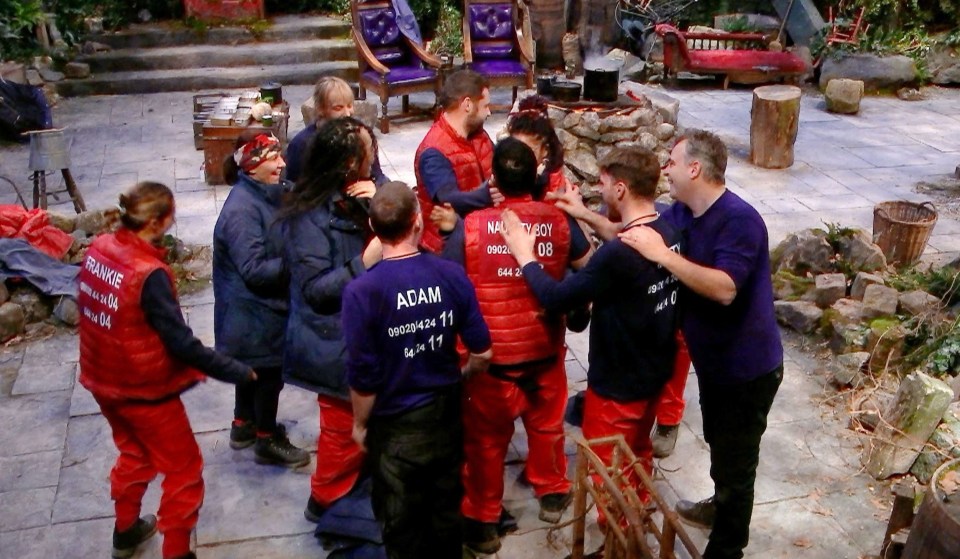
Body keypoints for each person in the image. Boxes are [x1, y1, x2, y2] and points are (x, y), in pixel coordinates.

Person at [618, 129, 783, 559]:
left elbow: (725, 288)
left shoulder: (740, 220)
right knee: (719, 443)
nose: (666, 170)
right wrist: (589, 216)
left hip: (747, 370)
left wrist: (665, 257)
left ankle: (729, 546)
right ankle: (719, 504)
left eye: (672, 162)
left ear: (695, 168)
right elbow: (645, 235)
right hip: (715, 363)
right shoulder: (686, 212)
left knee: (737, 460)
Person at [499, 146, 682, 523]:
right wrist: (580, 213)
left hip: (618, 385)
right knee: (638, 451)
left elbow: (555, 296)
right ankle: (642, 508)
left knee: (607, 473)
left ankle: (621, 538)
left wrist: (523, 254)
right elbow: (621, 232)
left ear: (620, 189)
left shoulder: (616, 257)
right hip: (653, 373)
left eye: (602, 186)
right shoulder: (665, 229)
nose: (598, 194)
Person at [78, 182, 255, 559]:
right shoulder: (149, 274)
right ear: (158, 222)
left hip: (103, 378)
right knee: (183, 471)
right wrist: (236, 370)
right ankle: (177, 552)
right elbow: (182, 344)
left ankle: (125, 531)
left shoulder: (100, 248)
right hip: (144, 391)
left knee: (135, 452)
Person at [434, 138, 592, 554]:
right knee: (547, 426)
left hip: (491, 361)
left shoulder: (471, 226)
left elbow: (448, 286)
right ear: (536, 177)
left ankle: (483, 521)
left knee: (485, 444)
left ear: (495, 180)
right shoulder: (559, 222)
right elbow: (585, 267)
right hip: (545, 350)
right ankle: (554, 493)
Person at [343, 182, 493, 559]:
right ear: (417, 221)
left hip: (394, 424)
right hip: (444, 413)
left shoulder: (362, 292)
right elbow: (483, 352)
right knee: (445, 508)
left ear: (375, 231)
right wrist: (462, 377)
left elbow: (363, 377)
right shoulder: (450, 275)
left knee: (400, 520)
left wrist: (360, 424)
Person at [278, 116, 383, 523]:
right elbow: (317, 291)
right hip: (331, 342)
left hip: (359, 333)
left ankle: (354, 489)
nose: (373, 161)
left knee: (363, 426)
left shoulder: (357, 194)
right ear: (347, 164)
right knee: (341, 432)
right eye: (368, 155)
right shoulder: (307, 218)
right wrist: (365, 260)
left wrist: (379, 201)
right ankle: (324, 500)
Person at [213, 131, 309, 467]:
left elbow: (290, 196)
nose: (282, 164)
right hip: (253, 313)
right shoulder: (241, 211)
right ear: (252, 166)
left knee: (250, 370)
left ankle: (243, 425)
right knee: (268, 374)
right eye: (274, 159)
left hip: (248, 314)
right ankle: (267, 439)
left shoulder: (262, 194)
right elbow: (253, 269)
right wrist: (298, 262)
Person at [415, 69, 498, 253]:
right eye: (485, 106)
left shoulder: (479, 135)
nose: (489, 113)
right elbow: (449, 198)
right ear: (467, 104)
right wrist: (489, 194)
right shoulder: (434, 150)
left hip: (479, 236)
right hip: (446, 247)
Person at [285, 75, 390, 186]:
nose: (347, 113)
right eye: (338, 108)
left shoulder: (362, 134)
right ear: (321, 109)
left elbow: (379, 176)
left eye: (349, 106)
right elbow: (293, 187)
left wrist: (374, 187)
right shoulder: (301, 144)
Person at [506, 94, 570, 200]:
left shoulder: (557, 189)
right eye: (515, 148)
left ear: (545, 150)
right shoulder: (501, 178)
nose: (520, 157)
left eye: (528, 151)